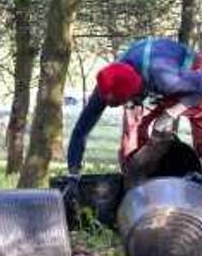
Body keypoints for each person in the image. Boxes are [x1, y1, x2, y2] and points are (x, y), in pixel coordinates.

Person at [66, 37, 202, 193]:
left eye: (126, 102)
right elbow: (81, 129)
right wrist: (73, 174)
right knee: (131, 137)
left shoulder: (166, 79)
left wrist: (172, 112)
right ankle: (136, 190)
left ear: (137, 91)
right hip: (148, 81)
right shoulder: (107, 83)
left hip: (191, 77)